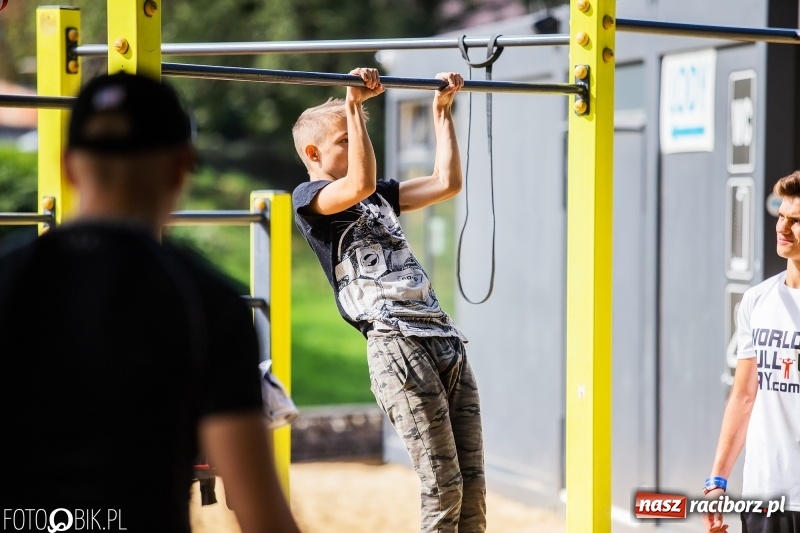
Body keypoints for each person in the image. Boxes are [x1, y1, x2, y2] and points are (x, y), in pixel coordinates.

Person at [0, 72, 300, 533]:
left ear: (67, 166)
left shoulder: (9, 274)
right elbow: (262, 514)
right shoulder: (206, 301)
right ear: (182, 166)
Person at [291, 67, 485, 533]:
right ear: (314, 153)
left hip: (442, 338)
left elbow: (446, 182)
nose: (357, 145)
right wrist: (353, 104)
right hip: (398, 344)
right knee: (443, 487)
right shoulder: (311, 199)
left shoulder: (377, 195)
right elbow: (357, 182)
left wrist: (442, 112)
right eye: (345, 140)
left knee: (473, 490)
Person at [704, 171, 800, 532]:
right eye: (781, 215)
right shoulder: (756, 301)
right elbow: (744, 396)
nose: (783, 228)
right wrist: (717, 480)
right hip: (763, 497)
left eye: (796, 220)